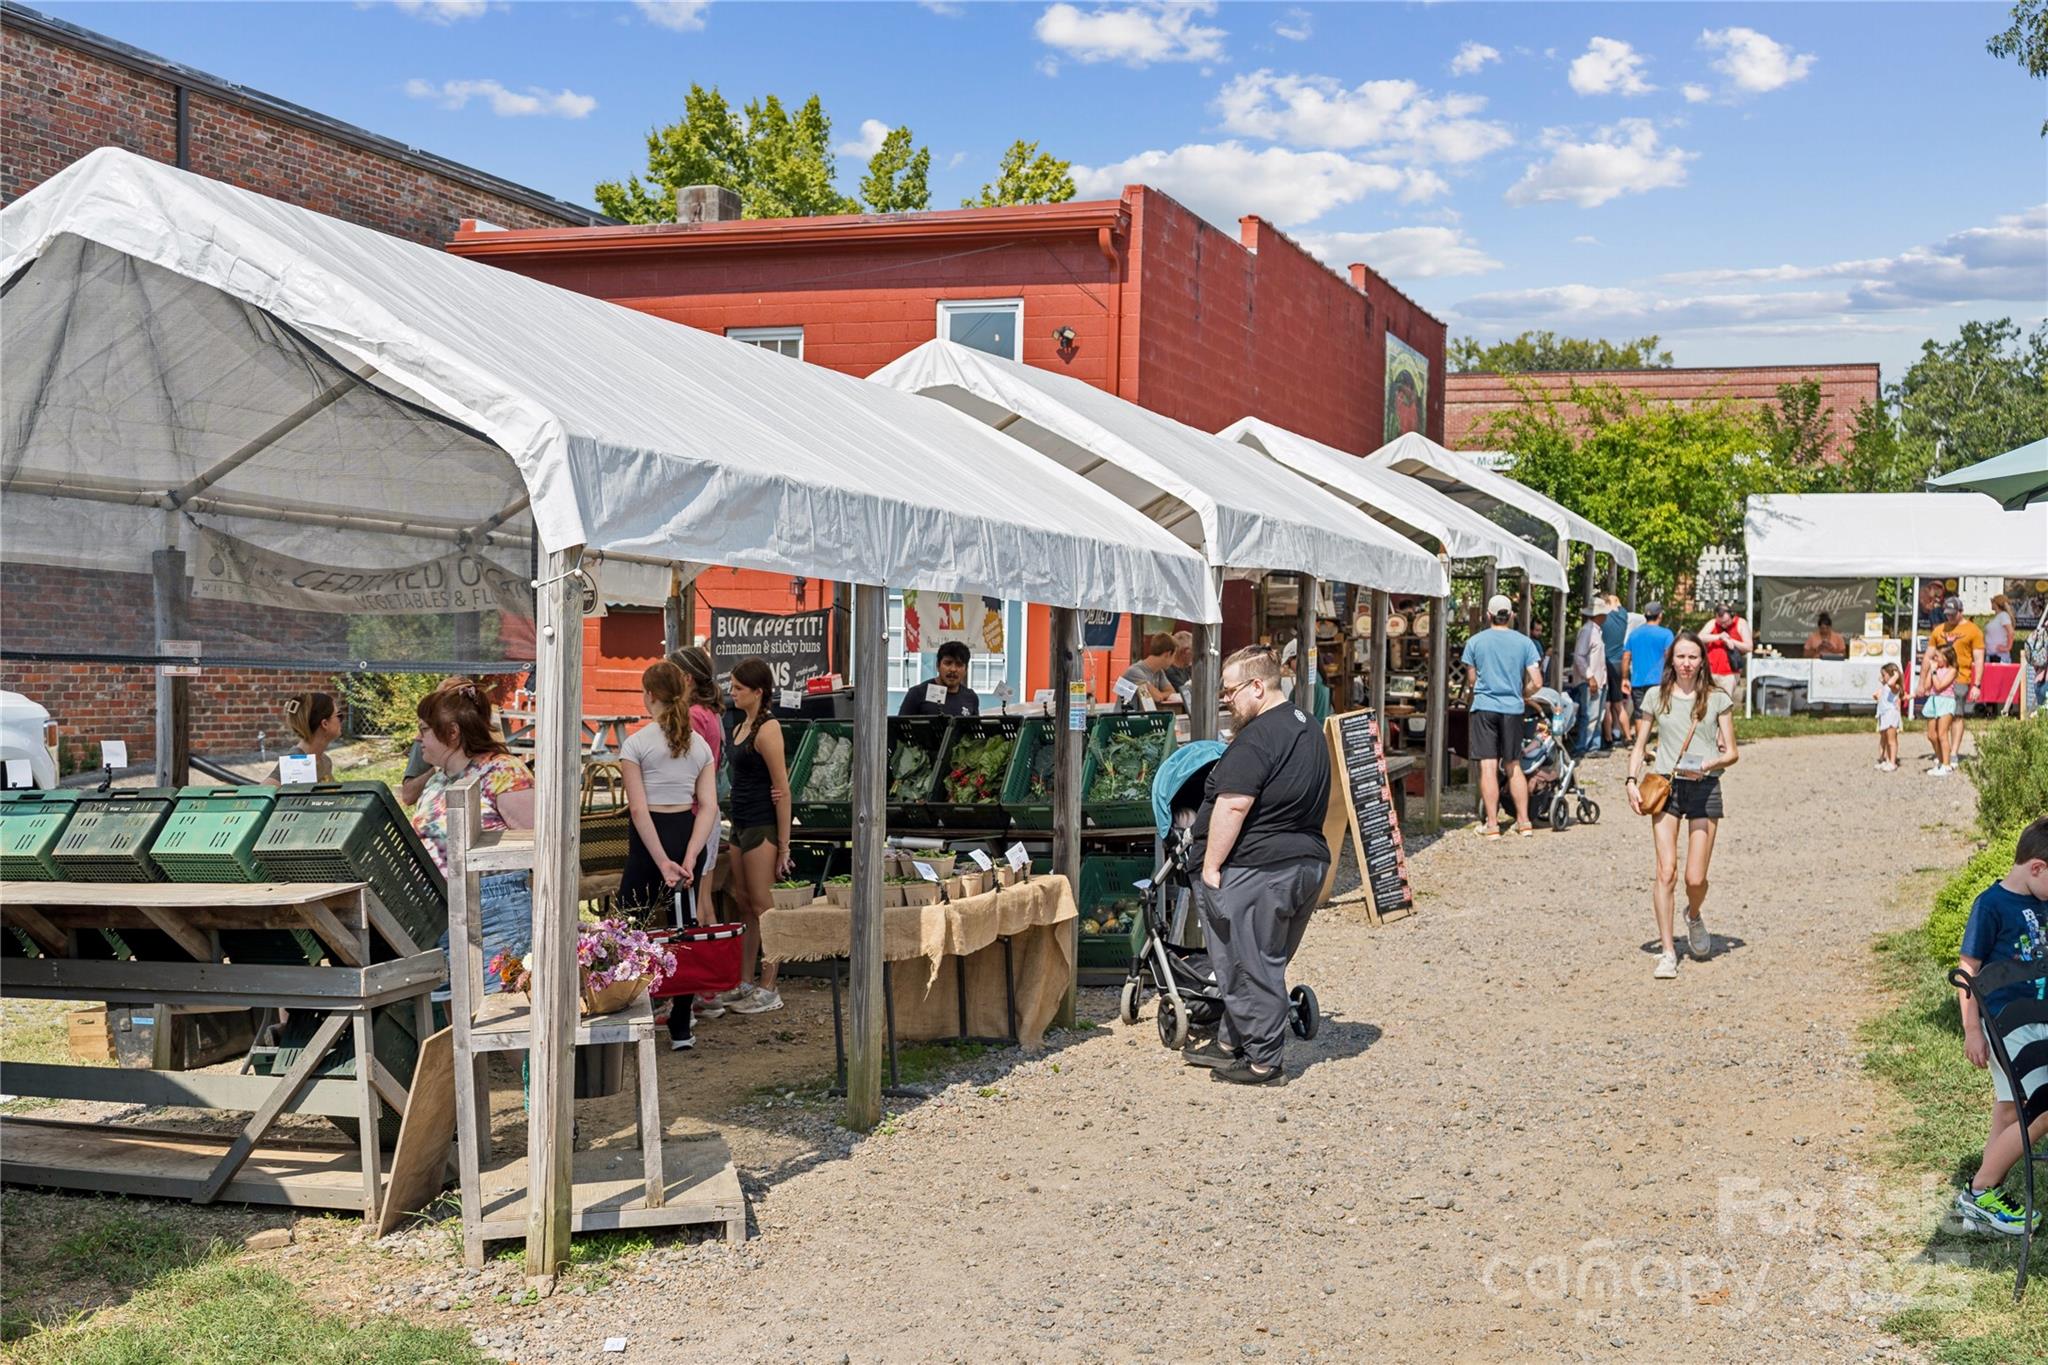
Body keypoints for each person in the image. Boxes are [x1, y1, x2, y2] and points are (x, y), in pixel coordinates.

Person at [1183, 644, 1331, 1086]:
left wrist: (1211, 869)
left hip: (1260, 868)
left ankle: (1265, 1063)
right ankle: (1234, 1040)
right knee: (1263, 958)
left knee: (1249, 963)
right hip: (1306, 861)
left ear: (1256, 687)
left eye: (1229, 692)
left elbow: (1232, 805)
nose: (1225, 701)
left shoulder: (1258, 736)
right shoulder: (1308, 727)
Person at [1952, 817, 2048, 1236]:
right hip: (2007, 1026)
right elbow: (1967, 972)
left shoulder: (2040, 898)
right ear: (2037, 868)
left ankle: (1981, 1199)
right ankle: (1980, 1189)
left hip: (2038, 1023)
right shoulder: (1990, 905)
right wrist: (1972, 1030)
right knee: (2042, 1108)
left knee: (2009, 1109)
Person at [402, 679, 536, 977]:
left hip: (493, 916)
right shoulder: (439, 778)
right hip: (441, 914)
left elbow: (538, 851)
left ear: (452, 733)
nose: (418, 737)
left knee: (498, 1012)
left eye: (424, 730)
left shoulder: (503, 771)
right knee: (454, 1015)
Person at [1625, 632, 1739, 980]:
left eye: (1692, 657)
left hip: (1704, 787)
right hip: (1667, 788)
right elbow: (1639, 743)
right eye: (1680, 657)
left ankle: (1693, 914)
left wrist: (1710, 763)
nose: (1686, 664)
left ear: (1702, 660)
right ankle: (1668, 951)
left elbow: (1732, 752)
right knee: (1666, 871)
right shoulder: (1656, 698)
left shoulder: (1717, 699)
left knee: (1695, 877)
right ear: (1671, 660)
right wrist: (1631, 780)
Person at [618, 661, 719, 1050]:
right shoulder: (699, 746)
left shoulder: (637, 743)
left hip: (649, 840)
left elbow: (639, 809)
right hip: (684, 833)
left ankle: (630, 1011)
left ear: (649, 696)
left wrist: (659, 859)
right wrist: (690, 856)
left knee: (630, 923)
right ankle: (681, 1024)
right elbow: (707, 806)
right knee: (684, 927)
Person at [710, 657, 793, 1015]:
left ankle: (769, 984)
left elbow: (782, 788)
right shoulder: (740, 725)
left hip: (762, 824)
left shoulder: (768, 728)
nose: (733, 693)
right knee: (744, 903)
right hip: (740, 821)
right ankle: (745, 979)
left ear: (758, 691)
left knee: (763, 906)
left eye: (740, 688)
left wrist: (784, 847)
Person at [1461, 592, 1544, 839]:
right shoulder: (1525, 643)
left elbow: (1473, 680)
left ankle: (1493, 825)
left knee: (1487, 766)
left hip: (1485, 707)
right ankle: (1524, 821)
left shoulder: (1475, 642)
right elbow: (1537, 681)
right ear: (1511, 615)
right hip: (1513, 709)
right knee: (1513, 765)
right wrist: (1523, 692)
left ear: (1488, 615)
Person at [1929, 595, 1985, 758]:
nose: (1949, 617)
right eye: (1947, 614)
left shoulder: (1973, 630)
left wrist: (1977, 684)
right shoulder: (1939, 630)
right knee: (1937, 717)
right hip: (1939, 679)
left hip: (1961, 678)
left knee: (1957, 715)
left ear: (1961, 611)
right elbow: (1929, 655)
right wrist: (1924, 680)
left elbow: (1979, 658)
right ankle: (1942, 753)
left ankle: (1953, 753)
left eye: (1953, 613)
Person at [268, 690, 340, 784]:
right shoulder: (294, 763)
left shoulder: (325, 761)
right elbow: (262, 793)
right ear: (325, 724)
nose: (340, 721)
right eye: (339, 716)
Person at [1622, 602, 1676, 719]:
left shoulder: (1634, 634)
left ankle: (1640, 737)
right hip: (1659, 680)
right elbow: (1670, 655)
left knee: (1639, 714)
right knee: (1661, 713)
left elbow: (1626, 656)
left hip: (1638, 681)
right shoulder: (1666, 634)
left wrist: (1625, 678)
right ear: (1660, 615)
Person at [898, 641, 980, 717]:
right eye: (948, 663)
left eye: (959, 665)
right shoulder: (917, 694)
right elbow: (898, 730)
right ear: (937, 665)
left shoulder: (971, 697)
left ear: (966, 669)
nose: (953, 669)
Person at [1568, 600, 1608, 756]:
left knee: (1597, 714)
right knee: (1589, 715)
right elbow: (1579, 656)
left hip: (1598, 679)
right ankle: (1583, 747)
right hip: (1590, 680)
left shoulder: (1595, 630)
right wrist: (1590, 676)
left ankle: (1593, 746)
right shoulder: (1588, 631)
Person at [1919, 641, 1961, 777]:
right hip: (1933, 701)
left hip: (1946, 701)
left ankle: (1946, 764)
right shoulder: (1935, 669)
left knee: (1942, 734)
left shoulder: (1952, 670)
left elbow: (1939, 686)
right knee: (1932, 735)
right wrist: (1930, 672)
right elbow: (1927, 687)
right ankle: (1940, 759)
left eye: (1937, 656)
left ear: (1946, 657)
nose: (1935, 659)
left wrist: (1935, 671)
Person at [1699, 602, 1751, 696]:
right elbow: (1699, 637)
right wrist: (1718, 637)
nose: (1723, 625)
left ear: (1732, 615)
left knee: (1725, 704)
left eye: (1726, 622)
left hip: (1730, 673)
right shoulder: (1713, 623)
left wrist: (1731, 641)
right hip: (1710, 670)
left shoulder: (1741, 623)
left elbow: (1749, 647)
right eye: (1720, 623)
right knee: (1707, 702)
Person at [1600, 592, 1631, 748]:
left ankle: (1608, 738)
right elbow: (1619, 605)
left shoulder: (1603, 618)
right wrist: (1614, 601)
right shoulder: (1623, 616)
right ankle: (1627, 736)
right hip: (1620, 663)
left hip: (1607, 663)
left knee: (1606, 705)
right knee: (1618, 704)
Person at [1120, 633, 1182, 710]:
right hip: (1124, 719)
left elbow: (1172, 692)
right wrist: (1161, 695)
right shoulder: (1134, 672)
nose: (1173, 661)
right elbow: (1157, 698)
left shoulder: (1159, 672)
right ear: (1167, 654)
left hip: (1141, 717)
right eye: (1174, 656)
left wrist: (1161, 694)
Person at [1873, 662, 1903, 772]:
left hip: (1891, 714)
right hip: (1884, 714)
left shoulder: (1895, 686)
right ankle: (1887, 759)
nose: (1882, 677)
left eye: (1884, 674)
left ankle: (1892, 762)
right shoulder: (1886, 686)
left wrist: (1896, 675)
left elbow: (1891, 684)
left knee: (1891, 740)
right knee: (1885, 738)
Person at [1984, 594, 2015, 664]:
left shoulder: (2003, 616)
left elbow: (2011, 632)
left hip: (1999, 657)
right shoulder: (1997, 617)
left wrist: (2007, 647)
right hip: (1991, 656)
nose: (1991, 604)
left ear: (1996, 603)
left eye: (1993, 601)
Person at [1166, 630, 1195, 695]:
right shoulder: (1169, 671)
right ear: (1186, 651)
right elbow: (1186, 692)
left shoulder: (1188, 669)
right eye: (1194, 650)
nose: (1195, 655)